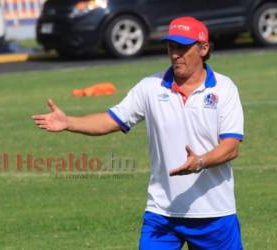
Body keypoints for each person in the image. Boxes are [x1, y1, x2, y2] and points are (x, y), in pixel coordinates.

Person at [32, 16, 244, 250]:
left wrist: (200, 162)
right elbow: (112, 120)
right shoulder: (150, 87)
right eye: (171, 47)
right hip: (162, 212)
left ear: (203, 49)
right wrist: (69, 122)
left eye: (182, 48)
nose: (175, 54)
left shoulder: (224, 89)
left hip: (214, 213)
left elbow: (231, 147)